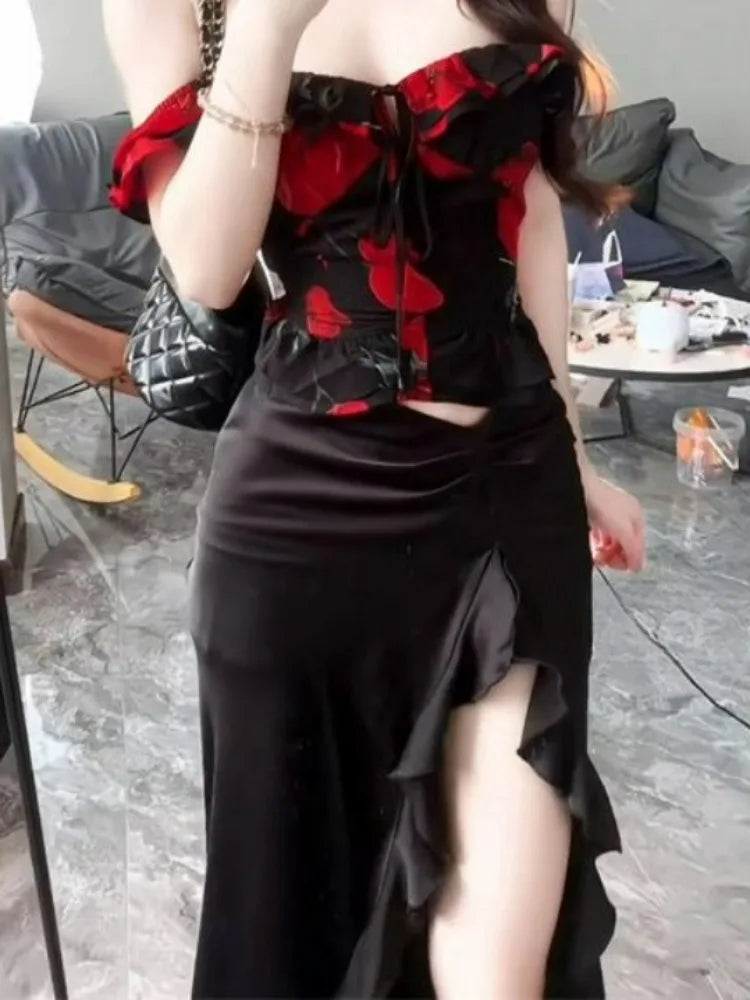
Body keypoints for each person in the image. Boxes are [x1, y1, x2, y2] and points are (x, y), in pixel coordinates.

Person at [105, 0, 644, 996]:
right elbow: (209, 267)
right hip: (299, 521)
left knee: (502, 970)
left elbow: (527, 204)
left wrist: (577, 460)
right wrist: (266, 28)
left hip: (506, 493)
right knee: (294, 934)